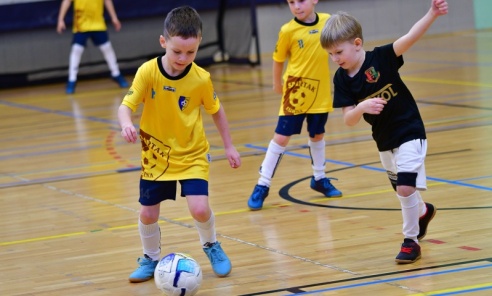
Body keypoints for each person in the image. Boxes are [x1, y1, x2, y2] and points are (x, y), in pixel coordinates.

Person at [117, 6, 241, 282]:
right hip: (156, 156)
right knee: (148, 213)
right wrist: (126, 123)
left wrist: (229, 146)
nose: (183, 58)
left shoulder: (201, 79)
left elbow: (217, 111)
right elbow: (126, 106)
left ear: (198, 44)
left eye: (191, 52)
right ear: (163, 42)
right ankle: (150, 257)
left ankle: (211, 244)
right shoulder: (148, 72)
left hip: (193, 153)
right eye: (177, 52)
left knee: (199, 208)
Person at [320, 0, 448, 263]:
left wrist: (432, 13)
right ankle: (423, 212)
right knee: (404, 191)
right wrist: (362, 107)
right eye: (330, 54)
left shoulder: (382, 57)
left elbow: (410, 36)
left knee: (404, 188)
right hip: (384, 139)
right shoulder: (342, 79)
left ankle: (410, 241)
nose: (335, 59)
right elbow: (348, 120)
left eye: (338, 52)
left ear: (357, 44)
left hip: (410, 129)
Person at [247, 0, 342, 211]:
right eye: (291, 2)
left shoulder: (328, 22)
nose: (296, 6)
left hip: (321, 91)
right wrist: (276, 82)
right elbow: (278, 58)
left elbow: (339, 48)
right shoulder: (288, 30)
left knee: (317, 135)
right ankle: (262, 184)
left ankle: (319, 178)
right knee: (281, 138)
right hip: (295, 91)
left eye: (300, 1)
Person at [57, 0, 129, 94]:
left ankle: (116, 74)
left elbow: (107, 1)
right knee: (76, 50)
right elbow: (66, 1)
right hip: (81, 24)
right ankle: (72, 80)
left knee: (107, 48)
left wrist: (114, 17)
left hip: (97, 23)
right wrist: (60, 20)